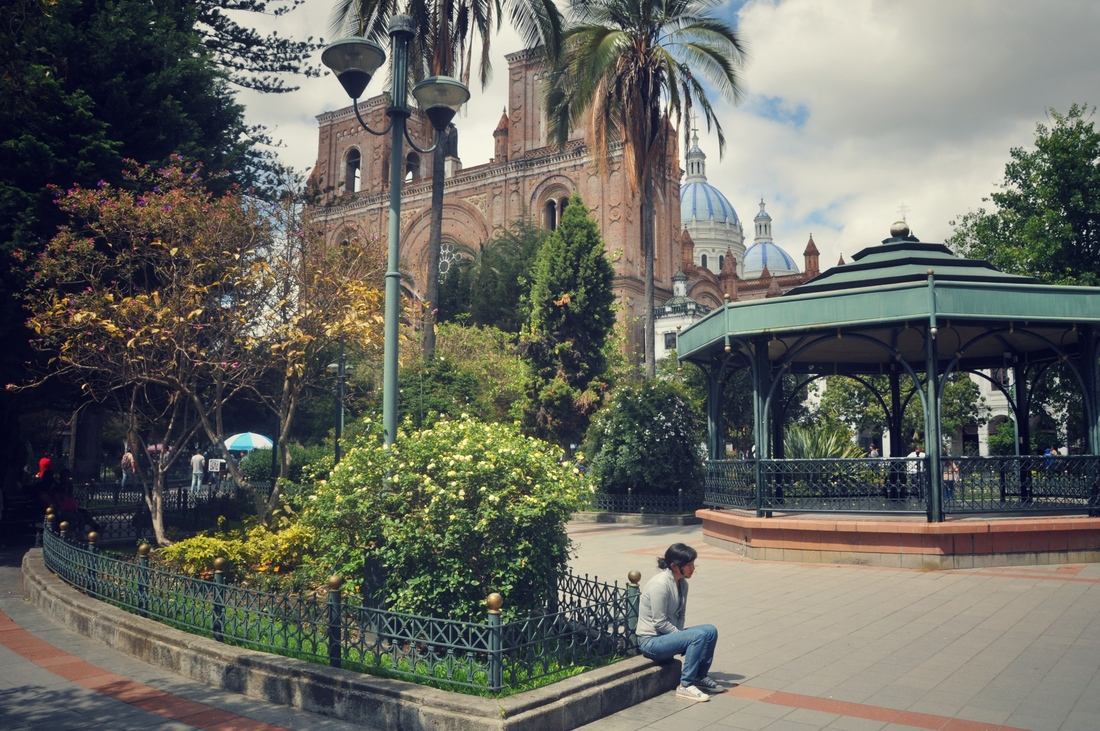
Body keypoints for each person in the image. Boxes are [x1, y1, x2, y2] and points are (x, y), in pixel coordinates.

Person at [636, 543, 720, 702]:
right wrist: (682, 637)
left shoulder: (683, 584)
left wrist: (681, 638)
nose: (692, 568)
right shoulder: (660, 585)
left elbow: (681, 615)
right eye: (688, 565)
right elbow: (659, 623)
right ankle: (685, 685)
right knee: (697, 636)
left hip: (667, 637)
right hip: (651, 642)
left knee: (710, 631)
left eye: (693, 564)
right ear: (674, 566)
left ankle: (699, 676)